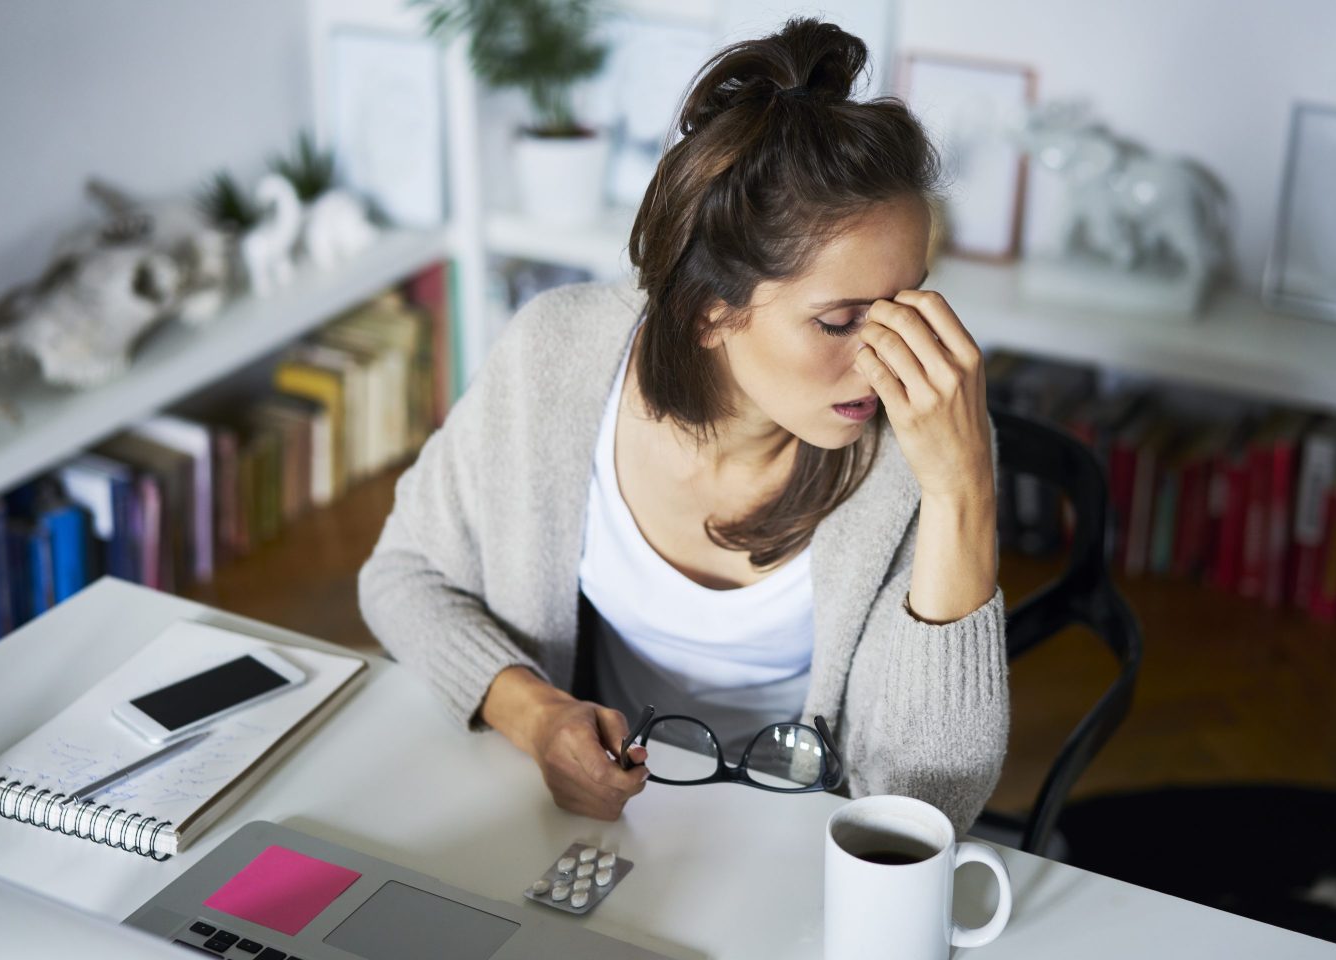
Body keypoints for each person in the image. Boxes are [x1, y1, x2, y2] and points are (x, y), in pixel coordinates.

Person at [358, 17, 1008, 838]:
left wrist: (964, 487)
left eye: (907, 303)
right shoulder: (554, 357)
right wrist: (539, 717)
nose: (888, 362)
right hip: (593, 819)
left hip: (804, 842)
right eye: (841, 322)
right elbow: (403, 575)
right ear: (709, 310)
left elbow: (926, 805)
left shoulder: (922, 440)